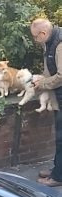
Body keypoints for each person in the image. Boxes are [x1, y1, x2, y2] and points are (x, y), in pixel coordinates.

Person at [31, 18, 62, 186]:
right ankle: (58, 170)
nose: (35, 40)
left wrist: (43, 83)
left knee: (61, 139)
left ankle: (58, 178)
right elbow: (49, 70)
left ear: (43, 33)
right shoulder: (49, 42)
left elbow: (61, 76)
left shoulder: (60, 45)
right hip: (59, 97)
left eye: (35, 37)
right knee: (59, 137)